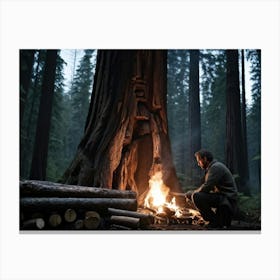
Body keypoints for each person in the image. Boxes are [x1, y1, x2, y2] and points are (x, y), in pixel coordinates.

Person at [186, 149, 238, 229]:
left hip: (227, 201)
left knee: (196, 196)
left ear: (205, 159)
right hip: (223, 199)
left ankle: (214, 221)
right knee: (194, 195)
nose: (198, 164)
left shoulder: (215, 167)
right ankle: (216, 220)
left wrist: (193, 193)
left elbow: (206, 187)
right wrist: (192, 193)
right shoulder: (213, 167)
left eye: (199, 161)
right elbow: (208, 188)